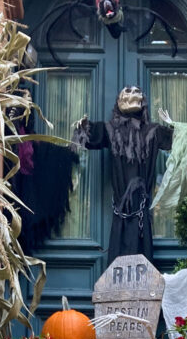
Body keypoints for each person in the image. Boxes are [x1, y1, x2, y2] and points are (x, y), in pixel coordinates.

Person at [73, 85, 172, 264]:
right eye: (128, 91)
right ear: (119, 101)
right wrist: (82, 126)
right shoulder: (110, 130)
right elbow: (86, 136)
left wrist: (177, 126)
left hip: (142, 206)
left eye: (137, 91)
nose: (133, 94)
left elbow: (178, 140)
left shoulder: (153, 131)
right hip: (121, 208)